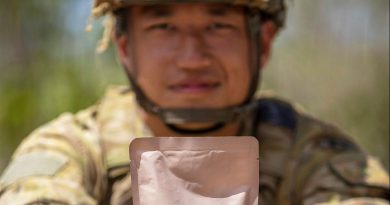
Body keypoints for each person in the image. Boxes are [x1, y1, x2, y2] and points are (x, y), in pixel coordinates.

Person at [0, 0, 388, 204]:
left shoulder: (311, 152)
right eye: (162, 27)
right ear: (125, 49)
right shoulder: (75, 148)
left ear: (263, 44)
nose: (192, 58)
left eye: (218, 26)